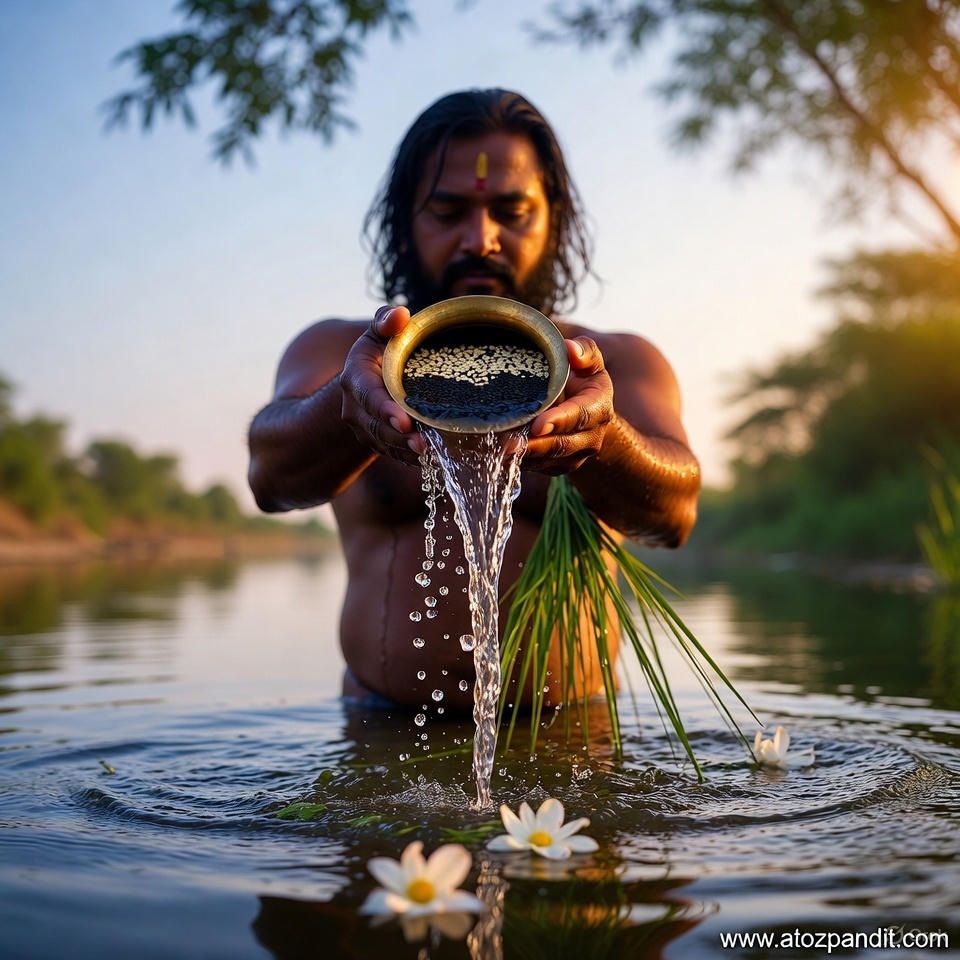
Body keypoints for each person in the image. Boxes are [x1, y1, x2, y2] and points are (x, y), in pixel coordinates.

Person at [247, 89, 701, 712]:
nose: (481, 238)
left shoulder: (612, 363)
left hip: (573, 743)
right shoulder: (341, 356)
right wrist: (346, 408)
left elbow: (675, 515)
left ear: (553, 219)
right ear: (405, 221)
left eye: (512, 211)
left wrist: (603, 440)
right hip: (382, 742)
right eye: (448, 210)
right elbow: (270, 481)